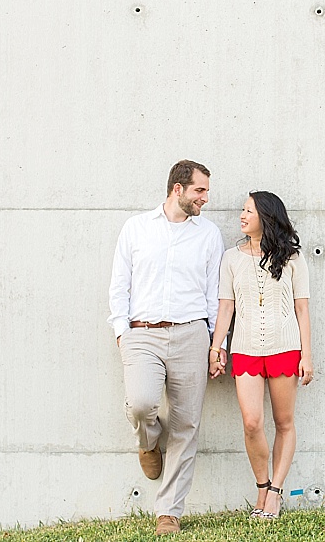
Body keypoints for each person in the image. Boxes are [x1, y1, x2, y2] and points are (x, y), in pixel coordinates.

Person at [107, 159, 225, 535]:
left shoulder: (208, 234)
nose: (205, 198)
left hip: (191, 334)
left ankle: (168, 512)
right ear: (178, 189)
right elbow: (119, 285)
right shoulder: (136, 228)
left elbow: (213, 295)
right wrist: (122, 331)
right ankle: (147, 441)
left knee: (186, 424)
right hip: (141, 334)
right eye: (200, 191)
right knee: (141, 403)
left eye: (205, 191)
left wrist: (212, 343)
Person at [209, 191, 314, 520]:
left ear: (266, 217)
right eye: (242, 209)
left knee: (284, 423)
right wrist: (217, 347)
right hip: (245, 349)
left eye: (248, 210)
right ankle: (261, 485)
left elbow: (302, 309)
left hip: (285, 349)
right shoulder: (231, 258)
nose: (241, 216)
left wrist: (306, 356)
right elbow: (226, 305)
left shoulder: (292, 258)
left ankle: (275, 493)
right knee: (252, 422)